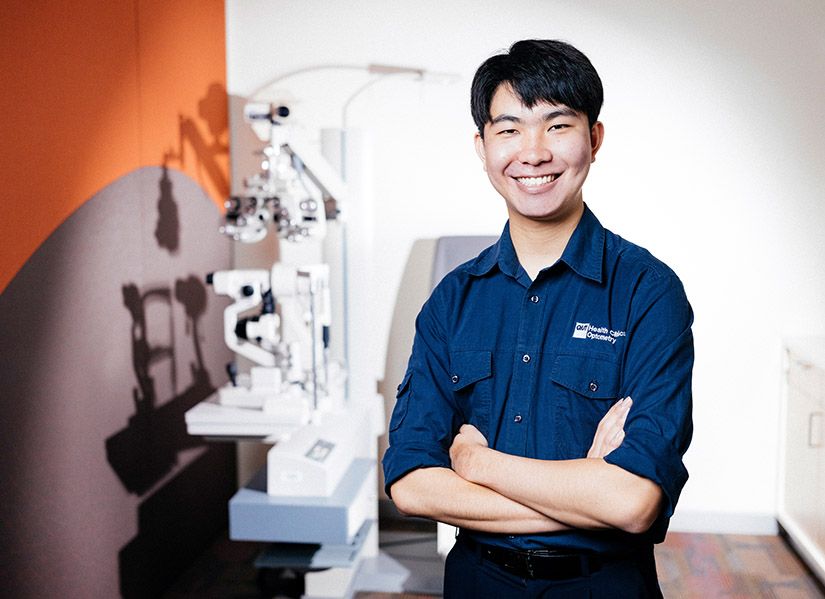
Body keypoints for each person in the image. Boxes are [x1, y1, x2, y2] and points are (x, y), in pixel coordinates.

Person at [381, 39, 694, 597]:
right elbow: (410, 484)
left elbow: (634, 500)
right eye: (508, 130)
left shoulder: (648, 291)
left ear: (593, 139)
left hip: (603, 586)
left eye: (556, 126)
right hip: (477, 581)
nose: (532, 152)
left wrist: (476, 462)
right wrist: (588, 498)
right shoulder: (452, 301)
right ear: (481, 147)